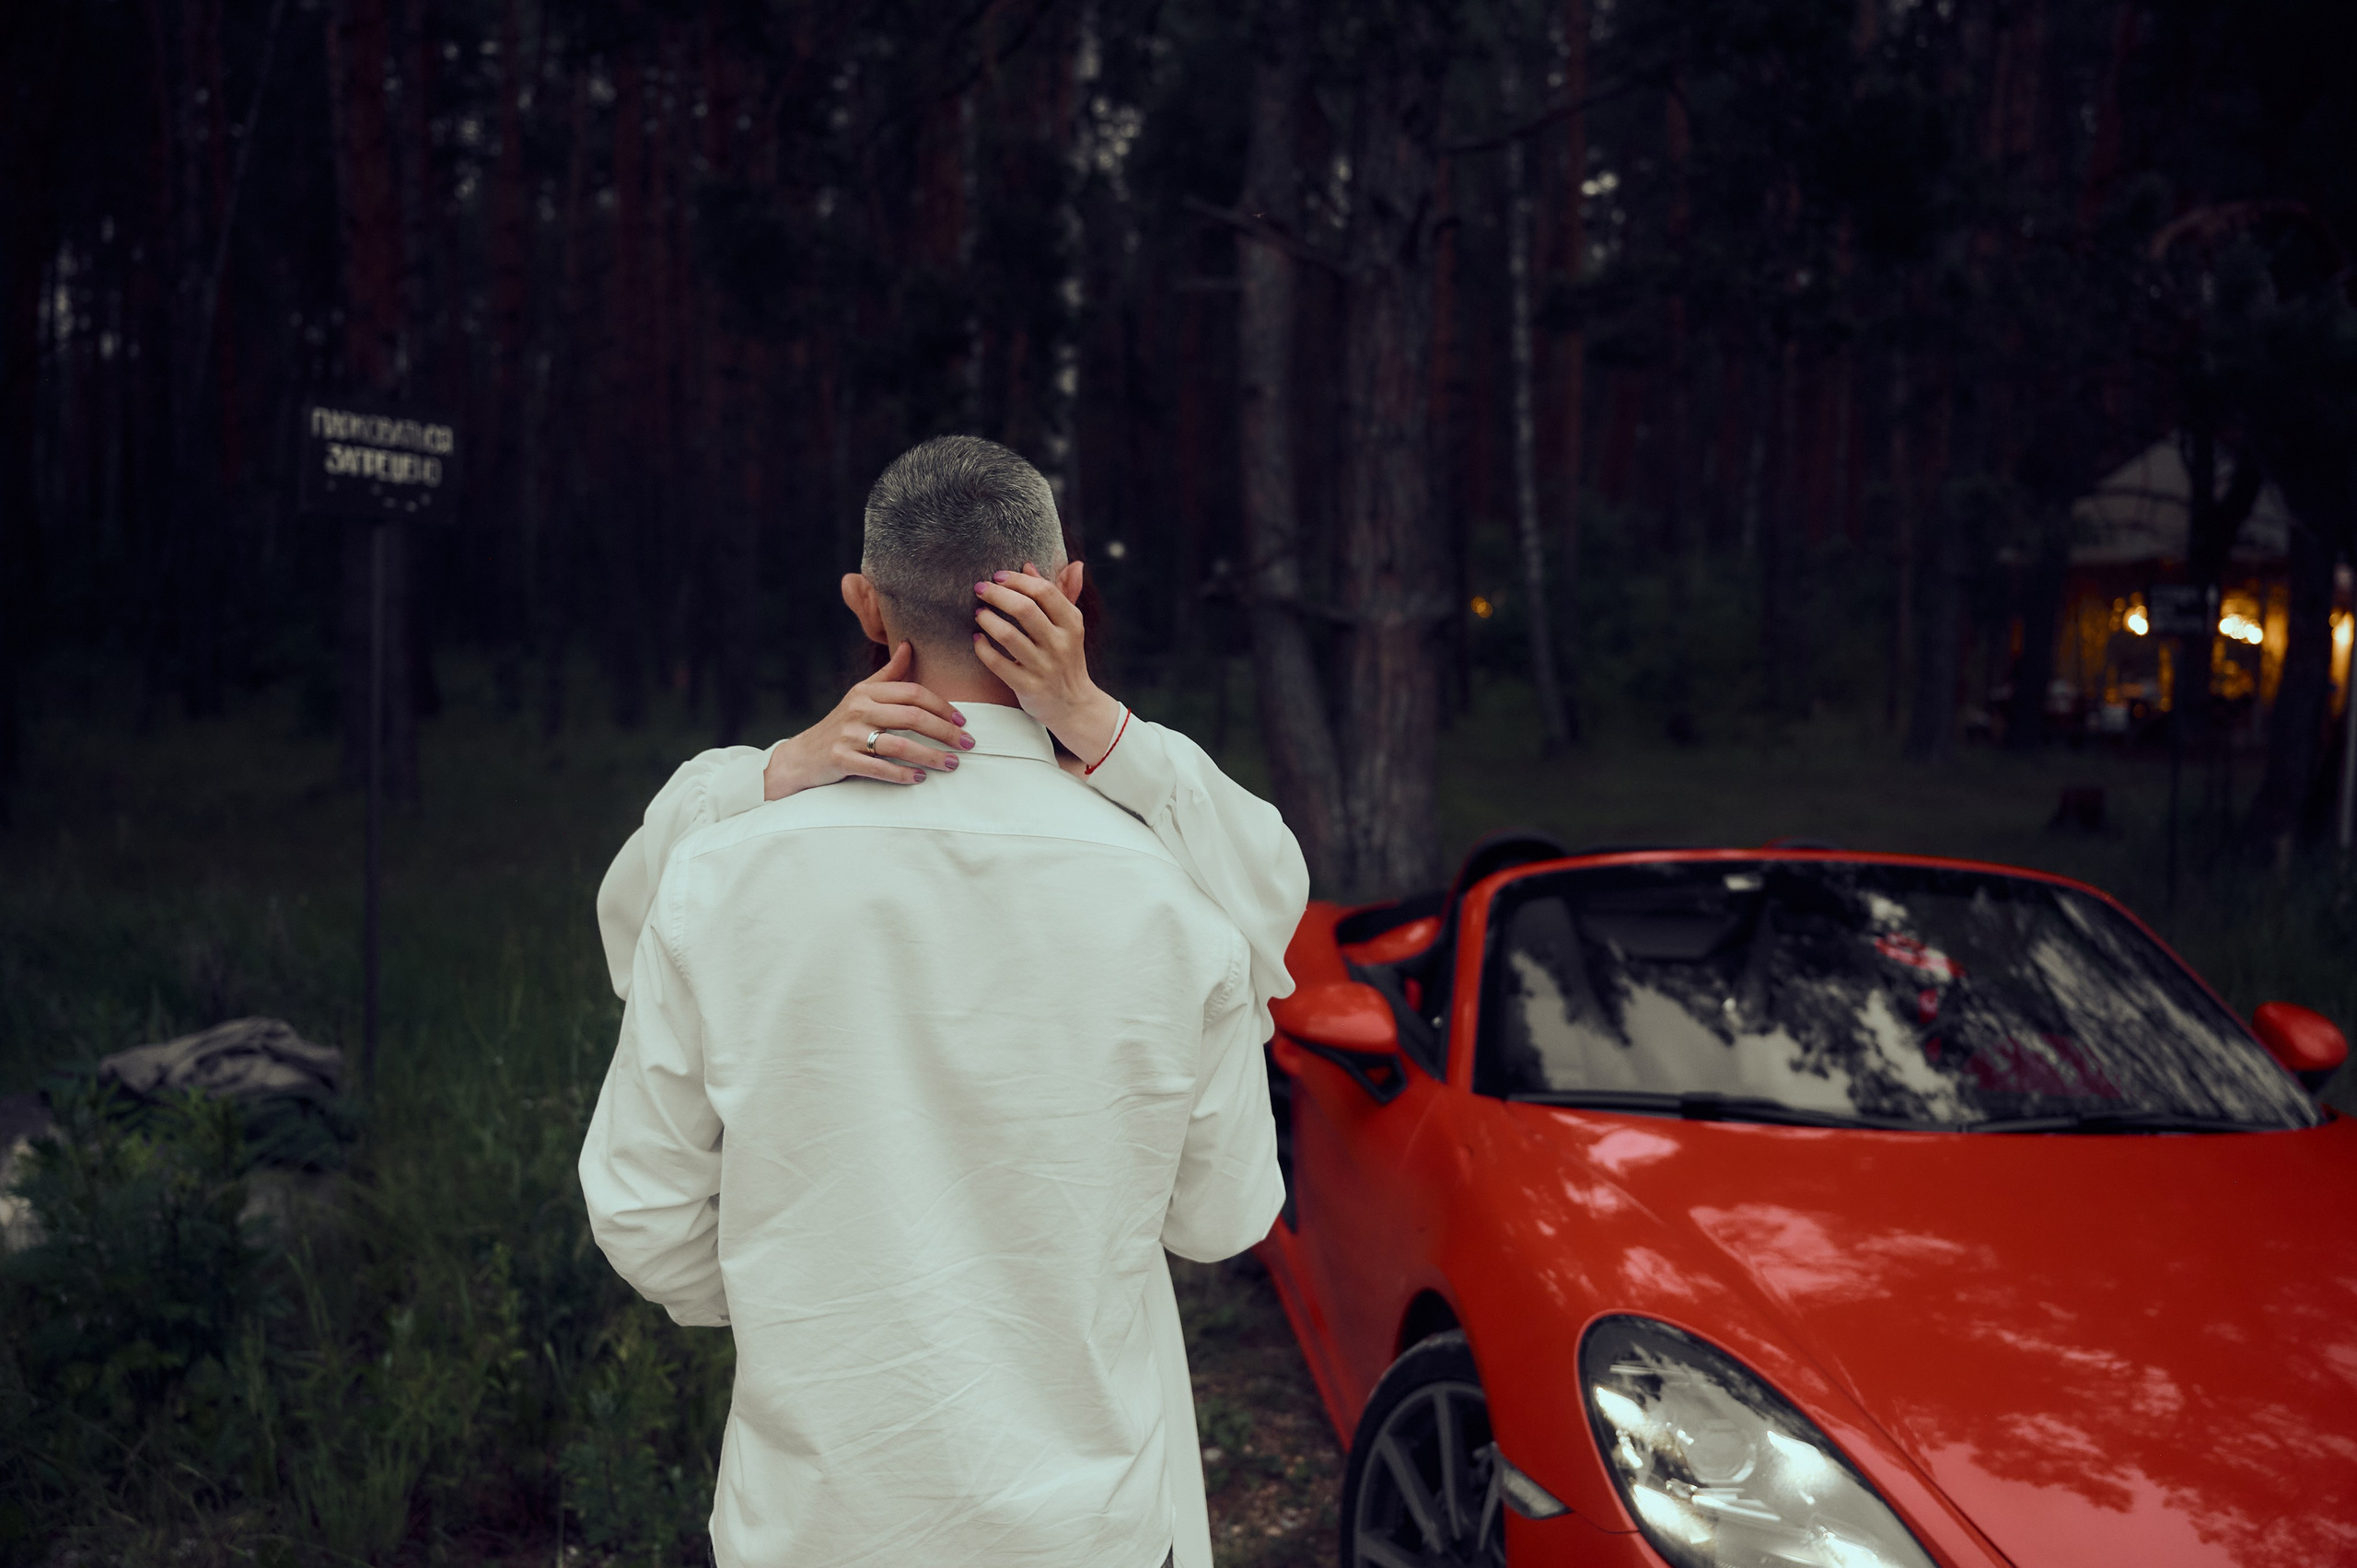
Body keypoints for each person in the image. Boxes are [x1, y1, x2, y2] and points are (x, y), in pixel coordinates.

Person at [582, 435, 1309, 1568]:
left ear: (866, 605)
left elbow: (639, 1208)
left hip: (813, 1520)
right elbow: (1222, 1220)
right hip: (1089, 1524)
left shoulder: (722, 873)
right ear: (1067, 590)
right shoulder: (1173, 900)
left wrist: (805, 1295)